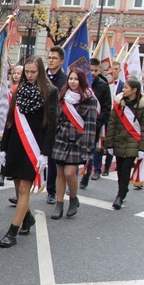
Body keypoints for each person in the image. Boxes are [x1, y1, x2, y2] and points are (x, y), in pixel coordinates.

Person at [0, 55, 57, 247]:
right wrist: (4, 147)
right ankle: (27, 217)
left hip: (35, 145)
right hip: (16, 142)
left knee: (24, 188)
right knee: (17, 185)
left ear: (40, 72)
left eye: (34, 72)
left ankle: (12, 232)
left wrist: (45, 154)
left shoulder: (50, 91)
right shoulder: (19, 89)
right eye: (27, 72)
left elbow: (51, 124)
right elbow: (9, 120)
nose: (30, 75)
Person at [50, 69, 97, 219]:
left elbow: (90, 124)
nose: (72, 81)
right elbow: (56, 117)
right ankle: (59, 203)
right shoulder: (62, 96)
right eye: (70, 78)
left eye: (76, 79)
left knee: (69, 173)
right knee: (60, 174)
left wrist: (88, 148)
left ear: (81, 81)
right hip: (61, 139)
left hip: (77, 141)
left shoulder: (89, 99)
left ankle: (73, 198)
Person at [105, 77, 144, 209]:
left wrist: (143, 148)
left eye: (126, 87)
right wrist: (109, 143)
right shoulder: (119, 105)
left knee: (126, 169)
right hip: (119, 140)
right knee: (120, 169)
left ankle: (120, 195)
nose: (123, 90)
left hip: (133, 142)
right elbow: (112, 124)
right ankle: (122, 189)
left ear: (134, 90)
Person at [80, 58, 112, 188]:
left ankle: (85, 178)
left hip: (94, 126)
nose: (92, 73)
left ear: (99, 70)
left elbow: (106, 108)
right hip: (79, 123)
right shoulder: (82, 83)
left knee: (89, 151)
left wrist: (97, 124)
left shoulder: (103, 86)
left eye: (95, 70)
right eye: (90, 70)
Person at [45, 46, 67, 204]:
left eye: (54, 58)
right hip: (38, 121)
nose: (51, 60)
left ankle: (51, 191)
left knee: (52, 159)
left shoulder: (65, 80)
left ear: (61, 61)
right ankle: (24, 191)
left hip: (55, 124)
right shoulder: (41, 75)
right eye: (49, 57)